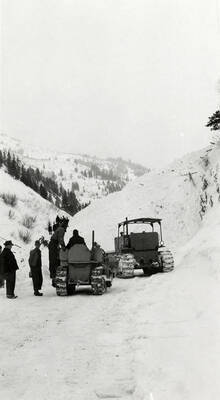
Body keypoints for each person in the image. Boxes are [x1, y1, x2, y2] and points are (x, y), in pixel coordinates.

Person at [48, 220, 66, 285]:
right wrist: (64, 247)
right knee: (54, 261)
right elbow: (60, 239)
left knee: (54, 260)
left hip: (53, 245)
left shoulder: (59, 229)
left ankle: (54, 277)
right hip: (53, 245)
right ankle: (54, 278)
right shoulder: (61, 229)